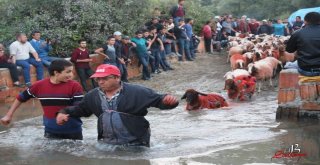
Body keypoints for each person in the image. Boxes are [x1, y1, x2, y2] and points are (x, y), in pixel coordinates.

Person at [56, 64, 179, 147]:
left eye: (105, 78)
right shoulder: (92, 95)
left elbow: (159, 100)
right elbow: (81, 110)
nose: (100, 82)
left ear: (117, 78)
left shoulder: (137, 91)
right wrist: (63, 111)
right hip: (107, 144)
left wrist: (169, 101)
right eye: (97, 79)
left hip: (136, 143)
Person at [0, 59, 84, 140]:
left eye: (71, 71)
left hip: (73, 131)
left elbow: (79, 106)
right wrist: (9, 115)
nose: (71, 74)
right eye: (68, 71)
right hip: (50, 131)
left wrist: (65, 114)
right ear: (56, 73)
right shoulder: (39, 85)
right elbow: (21, 98)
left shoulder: (75, 86)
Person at [286, 12, 320, 76]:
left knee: (290, 64)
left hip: (306, 70)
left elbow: (289, 50)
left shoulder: (297, 33)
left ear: (305, 21)